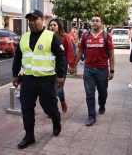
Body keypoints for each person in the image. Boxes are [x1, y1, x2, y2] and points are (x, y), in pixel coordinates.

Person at [12, 9, 66, 149]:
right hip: (28, 79)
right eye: (30, 20)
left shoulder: (51, 36)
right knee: (27, 108)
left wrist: (60, 75)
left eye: (35, 19)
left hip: (46, 79)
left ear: (42, 20)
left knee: (48, 107)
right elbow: (18, 57)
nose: (32, 22)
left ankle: (56, 118)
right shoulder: (24, 37)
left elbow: (61, 56)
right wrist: (15, 75)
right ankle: (29, 136)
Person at [74, 14, 115, 126]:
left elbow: (111, 54)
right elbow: (80, 51)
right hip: (88, 70)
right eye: (92, 20)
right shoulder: (85, 36)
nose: (94, 22)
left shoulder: (107, 36)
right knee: (89, 93)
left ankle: (102, 105)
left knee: (102, 92)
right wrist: (73, 65)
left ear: (101, 23)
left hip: (102, 70)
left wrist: (111, 70)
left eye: (97, 21)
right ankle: (91, 116)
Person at [48, 19, 75, 112]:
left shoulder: (65, 37)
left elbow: (70, 51)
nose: (52, 27)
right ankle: (53, 109)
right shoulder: (46, 37)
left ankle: (62, 101)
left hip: (61, 66)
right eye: (51, 25)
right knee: (50, 89)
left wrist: (72, 65)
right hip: (49, 66)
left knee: (58, 89)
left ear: (59, 26)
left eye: (54, 25)